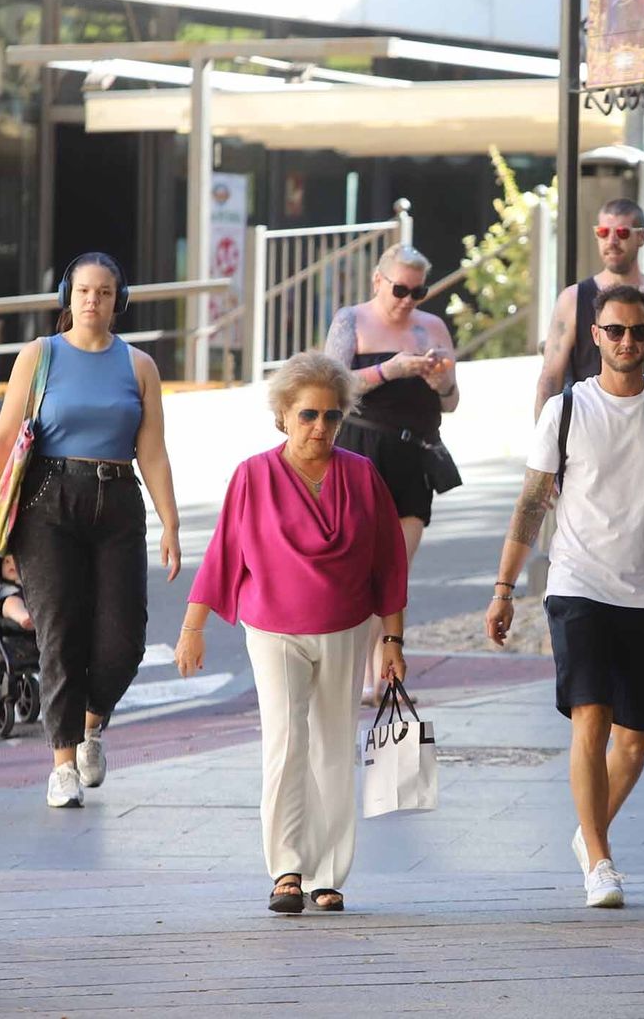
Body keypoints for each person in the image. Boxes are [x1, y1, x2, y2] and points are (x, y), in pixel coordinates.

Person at [486, 284, 644, 909]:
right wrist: (504, 588)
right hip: (578, 584)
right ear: (595, 335)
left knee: (634, 741)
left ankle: (589, 833)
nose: (627, 341)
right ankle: (601, 860)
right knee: (591, 717)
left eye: (638, 331)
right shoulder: (566, 410)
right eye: (615, 330)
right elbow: (532, 503)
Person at [176, 352, 409, 915]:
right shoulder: (253, 475)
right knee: (285, 744)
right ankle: (286, 869)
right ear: (283, 415)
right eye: (308, 415)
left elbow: (389, 563)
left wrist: (393, 642)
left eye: (331, 416)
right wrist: (192, 627)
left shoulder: (361, 475)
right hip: (273, 628)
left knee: (333, 748)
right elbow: (223, 553)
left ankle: (328, 875)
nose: (320, 428)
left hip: (346, 626)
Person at [0, 252, 181, 809]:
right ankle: (62, 765)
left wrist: (171, 523)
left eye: (104, 292)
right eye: (84, 290)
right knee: (59, 632)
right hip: (49, 500)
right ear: (67, 295)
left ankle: (90, 723)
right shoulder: (41, 355)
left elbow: (153, 451)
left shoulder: (139, 366)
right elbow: (4, 435)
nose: (93, 301)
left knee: (125, 640)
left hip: (119, 500)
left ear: (118, 301)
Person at [322, 243, 457, 705]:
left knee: (396, 571)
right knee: (360, 569)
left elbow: (451, 400)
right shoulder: (351, 320)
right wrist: (390, 370)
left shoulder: (431, 327)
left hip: (413, 454)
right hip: (362, 451)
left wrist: (441, 381)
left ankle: (384, 676)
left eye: (417, 292)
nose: (407, 300)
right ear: (378, 281)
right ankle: (361, 676)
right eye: (400, 289)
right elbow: (330, 386)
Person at [534, 197, 644, 449]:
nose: (611, 241)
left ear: (640, 237)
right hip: (590, 433)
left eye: (621, 232)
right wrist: (543, 446)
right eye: (603, 232)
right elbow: (550, 377)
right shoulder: (573, 298)